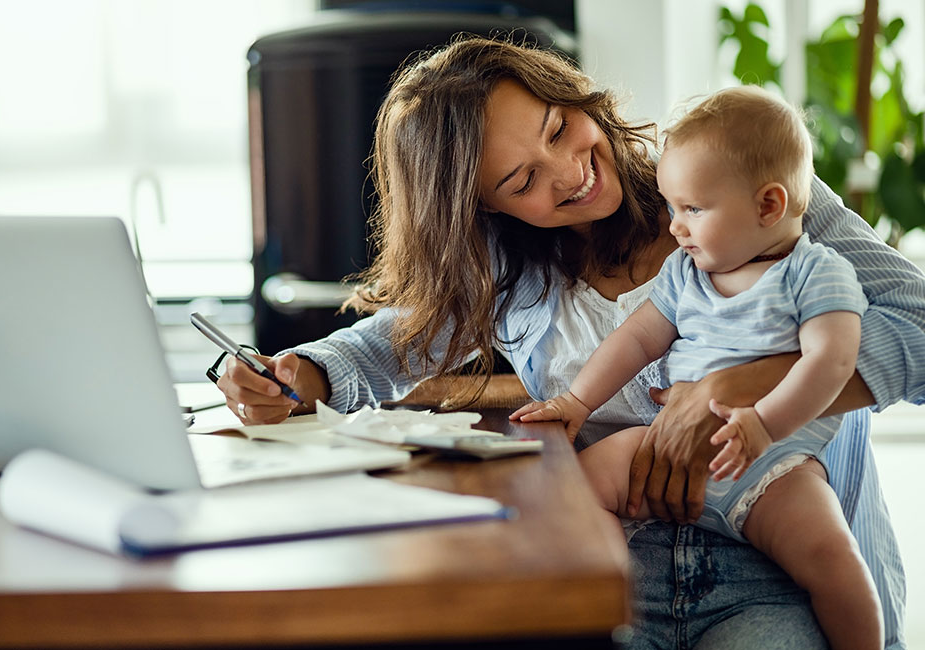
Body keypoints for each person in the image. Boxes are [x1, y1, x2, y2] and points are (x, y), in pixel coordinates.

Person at [215, 36, 924, 648]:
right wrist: (298, 373)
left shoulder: (742, 188)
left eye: (559, 129)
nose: (571, 173)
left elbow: (919, 328)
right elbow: (384, 346)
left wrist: (743, 384)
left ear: (576, 97)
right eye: (522, 180)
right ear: (483, 207)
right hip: (619, 557)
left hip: (782, 560)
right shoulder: (508, 265)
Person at [511, 85, 882, 649]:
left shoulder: (816, 274)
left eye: (693, 210)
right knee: (575, 484)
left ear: (768, 206)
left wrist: (765, 424)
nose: (676, 227)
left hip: (772, 467)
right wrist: (578, 401)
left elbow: (832, 362)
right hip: (662, 445)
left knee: (833, 557)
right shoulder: (687, 273)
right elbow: (635, 340)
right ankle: (619, 594)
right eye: (672, 208)